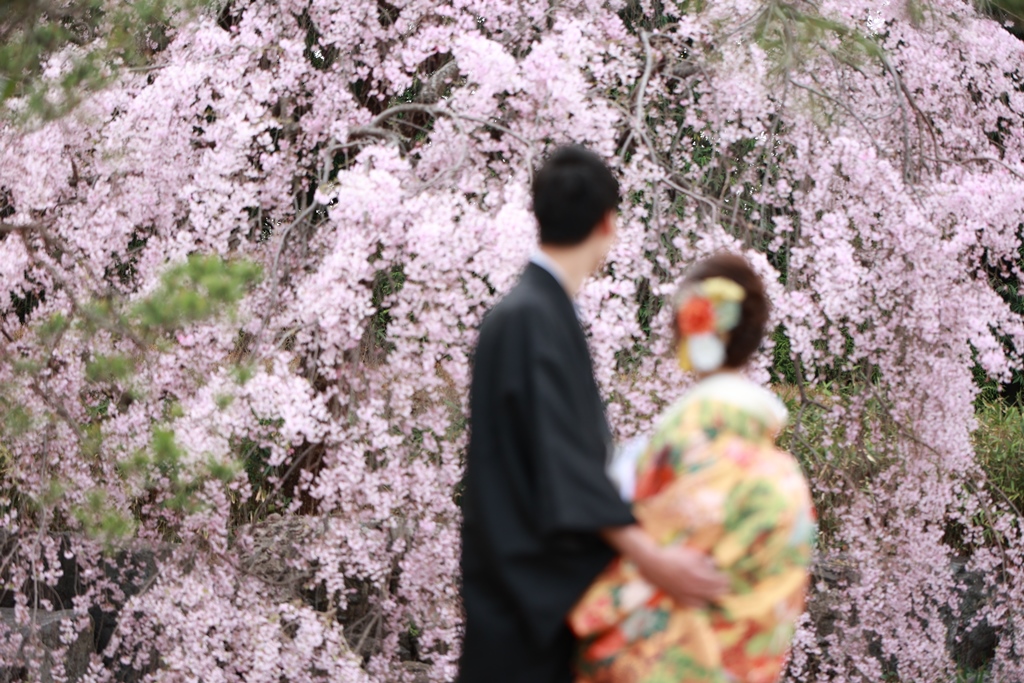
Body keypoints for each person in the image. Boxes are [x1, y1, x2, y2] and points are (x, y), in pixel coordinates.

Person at [458, 146, 729, 683]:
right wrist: (657, 562)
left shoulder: (528, 312)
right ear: (608, 222)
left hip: (518, 586)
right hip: (525, 606)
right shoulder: (533, 319)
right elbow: (566, 467)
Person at [569, 253, 817, 683]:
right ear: (755, 336)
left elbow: (608, 582)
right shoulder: (789, 480)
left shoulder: (672, 455)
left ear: (685, 331)